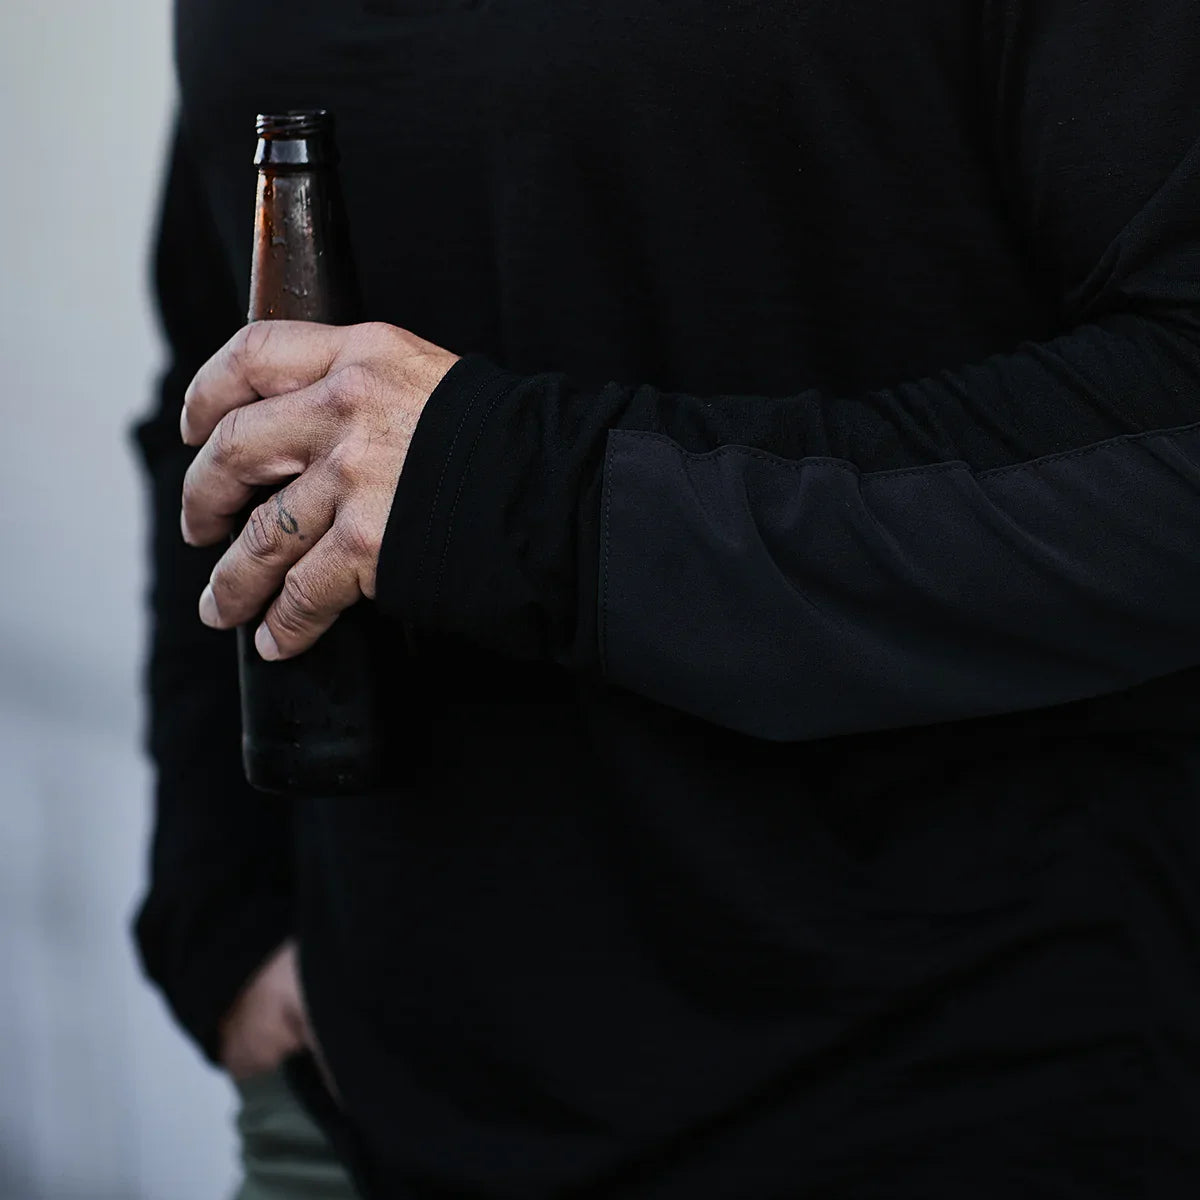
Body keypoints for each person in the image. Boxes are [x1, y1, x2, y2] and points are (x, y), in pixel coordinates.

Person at [133, 1, 1200, 1196]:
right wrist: (213, 907)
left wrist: (527, 492)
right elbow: (228, 378)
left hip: (936, 1099)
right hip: (360, 1116)